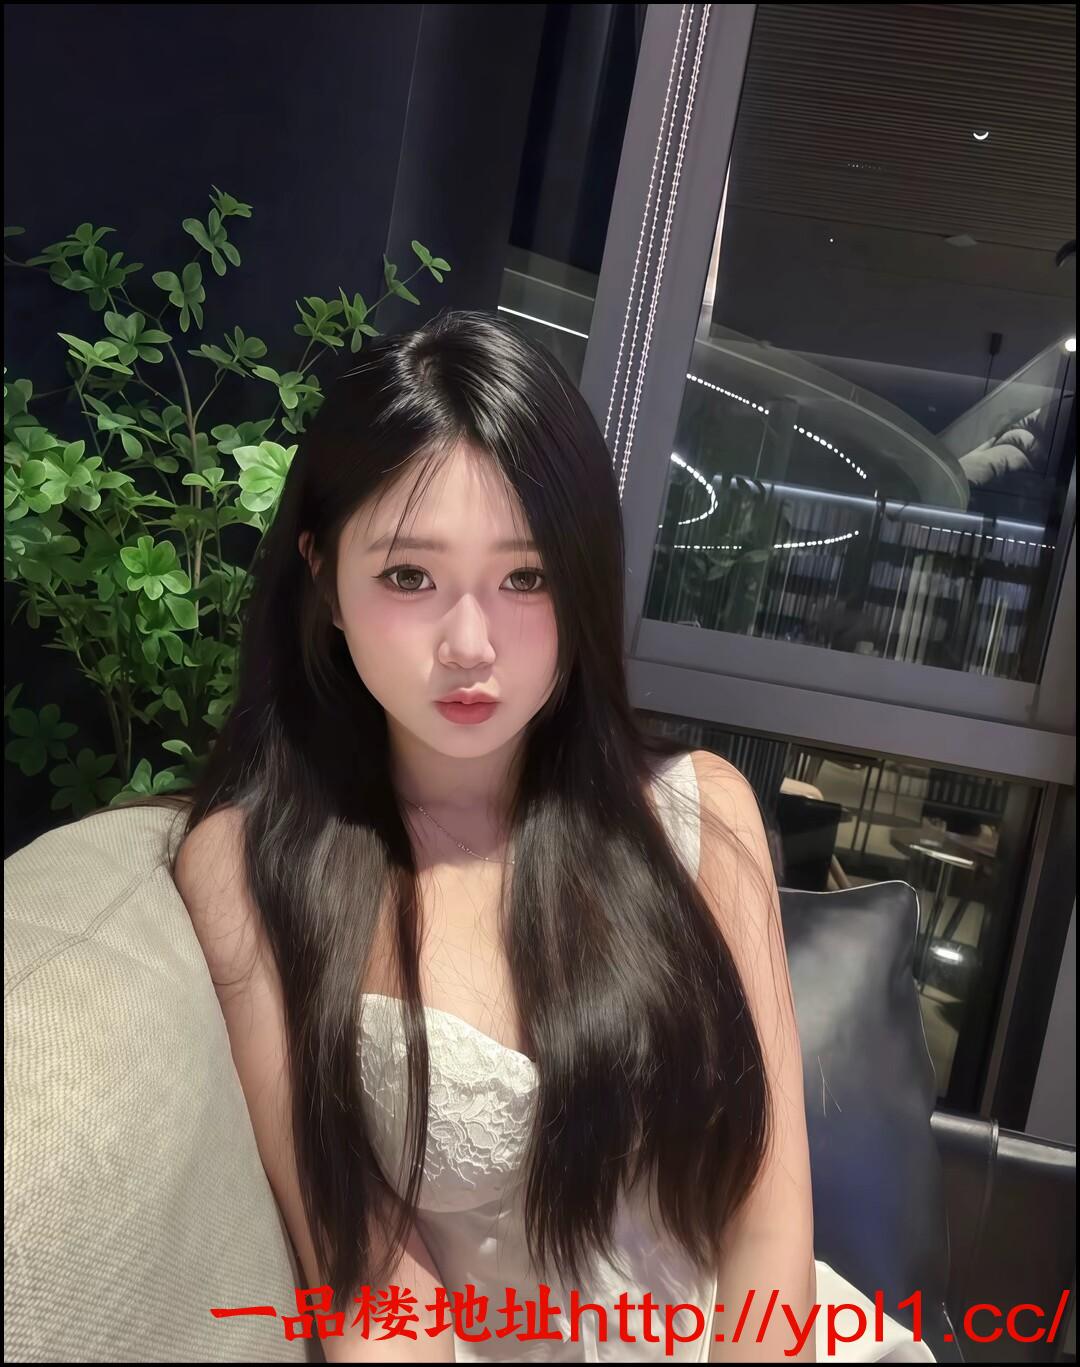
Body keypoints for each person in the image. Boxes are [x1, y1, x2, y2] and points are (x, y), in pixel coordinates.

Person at [153, 309, 932, 1362]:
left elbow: (767, 1211)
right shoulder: (252, 866)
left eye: (526, 577)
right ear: (325, 577)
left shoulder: (701, 813)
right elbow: (372, 1287)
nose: (470, 643)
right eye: (409, 576)